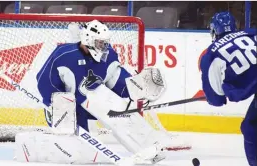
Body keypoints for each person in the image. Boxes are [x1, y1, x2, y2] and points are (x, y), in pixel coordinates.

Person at [28, 19, 168, 164]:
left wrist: (138, 88)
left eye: (105, 42)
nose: (104, 47)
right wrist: (55, 104)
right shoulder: (63, 55)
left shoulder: (108, 57)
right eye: (100, 43)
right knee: (79, 154)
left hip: (93, 100)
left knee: (121, 111)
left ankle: (150, 148)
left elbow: (118, 82)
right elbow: (44, 81)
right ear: (88, 40)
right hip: (67, 108)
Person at [200, 11, 257, 165]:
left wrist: (215, 95)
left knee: (251, 129)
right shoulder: (252, 33)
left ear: (214, 31)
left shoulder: (212, 54)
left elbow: (216, 99)